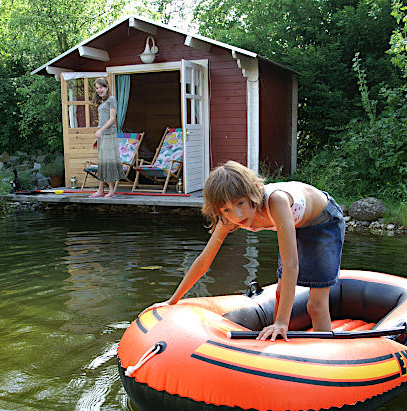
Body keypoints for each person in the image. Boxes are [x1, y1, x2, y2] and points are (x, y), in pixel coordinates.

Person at [141, 161, 345, 341]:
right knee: (280, 293)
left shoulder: (276, 202)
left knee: (315, 305)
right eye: (226, 209)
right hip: (295, 223)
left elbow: (291, 264)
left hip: (322, 222)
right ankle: (279, 345)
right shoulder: (227, 219)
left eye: (240, 204)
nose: (237, 215)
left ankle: (325, 356)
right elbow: (204, 261)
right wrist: (172, 300)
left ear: (253, 192)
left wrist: (282, 322)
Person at [90, 78, 124, 198]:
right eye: (97, 88)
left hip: (109, 134)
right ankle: (100, 190)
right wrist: (97, 137)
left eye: (101, 87)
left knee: (108, 162)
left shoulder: (112, 100)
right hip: (103, 136)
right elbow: (102, 121)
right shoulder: (102, 102)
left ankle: (111, 191)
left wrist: (101, 131)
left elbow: (111, 119)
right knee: (102, 162)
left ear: (107, 87)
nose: (99, 90)